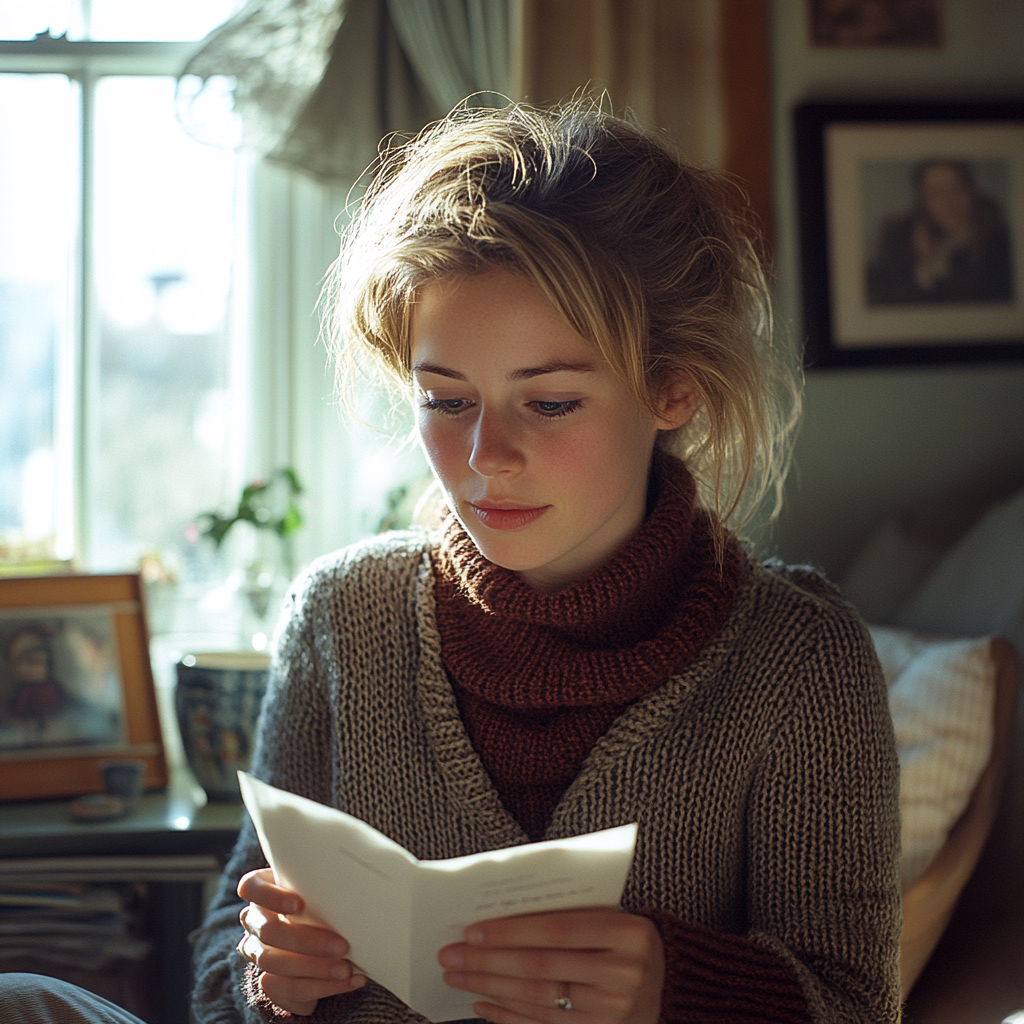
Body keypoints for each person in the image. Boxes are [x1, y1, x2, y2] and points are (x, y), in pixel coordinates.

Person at [5, 100, 901, 1024]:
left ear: (674, 387)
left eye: (550, 403)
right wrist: (263, 974)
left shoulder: (799, 658)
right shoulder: (342, 616)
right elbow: (217, 971)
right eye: (445, 400)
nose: (485, 457)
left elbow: (859, 1007)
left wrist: (677, 991)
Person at [866, 158, 1014, 305]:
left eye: (956, 189)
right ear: (923, 200)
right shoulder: (900, 236)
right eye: (936, 193)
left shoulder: (1000, 241)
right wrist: (925, 263)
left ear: (971, 191)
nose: (948, 202)